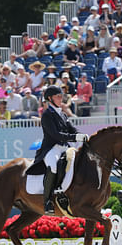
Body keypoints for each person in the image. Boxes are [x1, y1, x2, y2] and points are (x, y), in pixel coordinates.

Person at [26, 86, 88, 214]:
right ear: (50, 98)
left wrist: (81, 135)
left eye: (61, 96)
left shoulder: (63, 114)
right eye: (58, 96)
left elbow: (72, 129)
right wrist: (75, 137)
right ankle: (47, 201)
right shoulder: (47, 115)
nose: (61, 98)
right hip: (51, 148)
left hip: (65, 147)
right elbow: (56, 135)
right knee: (53, 166)